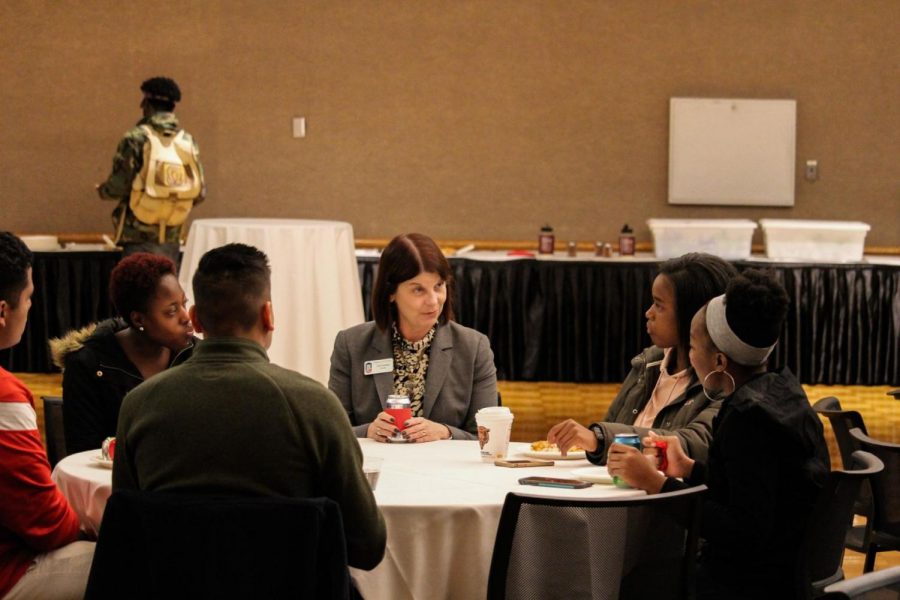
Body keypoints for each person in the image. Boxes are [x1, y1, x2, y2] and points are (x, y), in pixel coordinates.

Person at [113, 243, 385, 569]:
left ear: (196, 318)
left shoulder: (139, 406)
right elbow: (367, 546)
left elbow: (126, 532)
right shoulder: (315, 406)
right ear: (268, 315)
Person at [607, 270, 829, 598]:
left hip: (752, 585)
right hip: (782, 570)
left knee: (629, 583)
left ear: (720, 361)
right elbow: (749, 488)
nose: (690, 357)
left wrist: (658, 486)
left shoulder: (748, 419)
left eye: (693, 347)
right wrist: (688, 469)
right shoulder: (782, 390)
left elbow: (741, 530)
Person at [547, 253, 737, 462]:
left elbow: (693, 443)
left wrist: (599, 439)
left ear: (693, 315)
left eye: (659, 305)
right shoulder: (648, 363)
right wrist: (596, 441)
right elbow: (609, 429)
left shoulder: (723, 378)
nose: (648, 312)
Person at [329, 233, 498, 442]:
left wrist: (445, 432)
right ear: (390, 293)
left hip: (445, 471)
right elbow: (331, 430)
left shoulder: (474, 347)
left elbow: (488, 436)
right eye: (418, 290)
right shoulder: (351, 345)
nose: (433, 301)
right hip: (376, 469)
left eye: (438, 286)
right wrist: (368, 431)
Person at [0, 232, 94, 600]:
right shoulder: (6, 397)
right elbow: (46, 525)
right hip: (8, 575)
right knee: (135, 559)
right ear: (3, 311)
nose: (30, 308)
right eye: (29, 298)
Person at [50, 253, 195, 454]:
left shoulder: (196, 355)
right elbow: (84, 451)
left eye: (184, 304)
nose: (186, 317)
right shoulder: (89, 365)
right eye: (171, 311)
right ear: (138, 320)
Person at [97, 76, 205, 262]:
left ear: (147, 103)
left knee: (138, 288)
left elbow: (119, 185)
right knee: (167, 288)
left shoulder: (136, 138)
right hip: (172, 235)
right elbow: (200, 192)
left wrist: (102, 190)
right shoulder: (187, 141)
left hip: (138, 235)